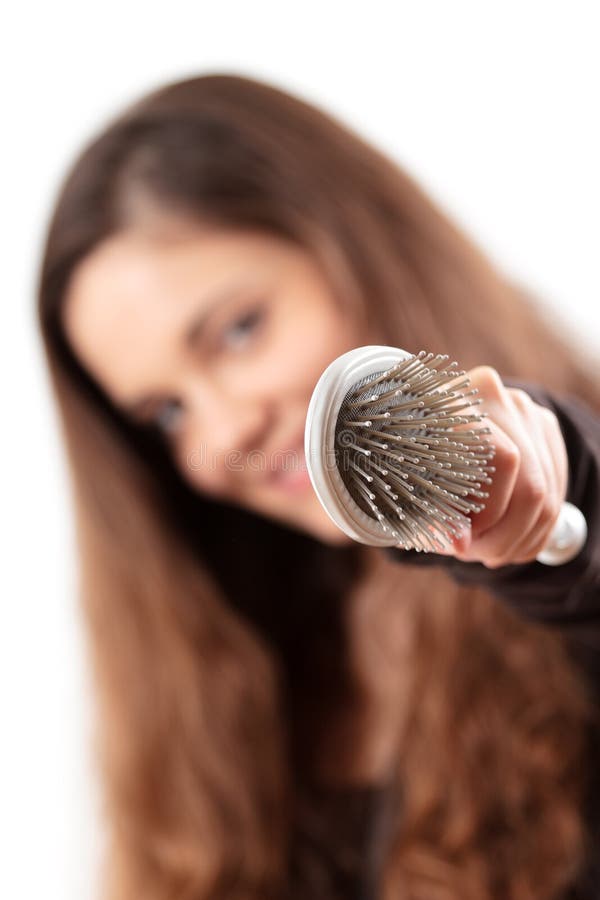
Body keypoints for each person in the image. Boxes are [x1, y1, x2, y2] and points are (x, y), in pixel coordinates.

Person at [37, 73, 600, 900]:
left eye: (238, 330)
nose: (223, 433)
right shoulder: (255, 670)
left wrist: (536, 485)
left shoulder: (564, 566)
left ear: (365, 251)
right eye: (166, 414)